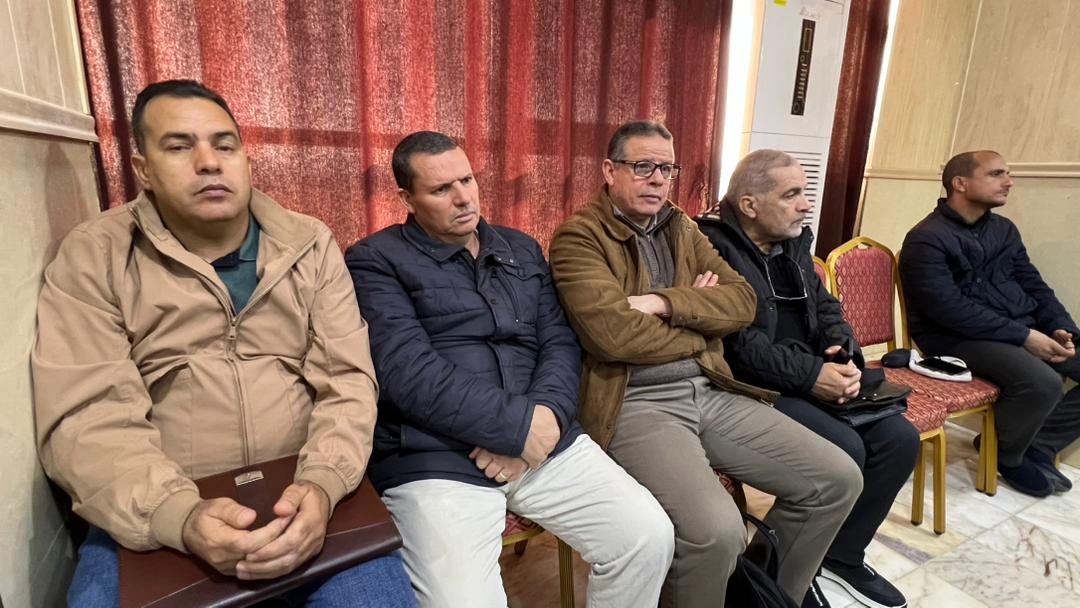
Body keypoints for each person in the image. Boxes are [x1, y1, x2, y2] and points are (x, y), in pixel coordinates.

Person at [32, 79, 415, 606]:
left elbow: (348, 380)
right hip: (159, 510)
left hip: (307, 494)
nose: (209, 162)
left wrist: (323, 483)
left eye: (224, 145)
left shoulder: (308, 243)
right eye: (179, 146)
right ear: (144, 170)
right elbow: (86, 415)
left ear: (245, 158)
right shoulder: (97, 255)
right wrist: (179, 515)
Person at [344, 130, 674, 607]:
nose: (463, 198)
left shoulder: (520, 248)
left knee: (647, 536)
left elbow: (559, 343)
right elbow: (407, 372)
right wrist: (517, 429)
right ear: (406, 199)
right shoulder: (375, 260)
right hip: (437, 456)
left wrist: (545, 421)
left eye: (467, 180)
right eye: (441, 189)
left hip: (544, 440)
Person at [548, 121, 862, 607]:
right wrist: (701, 320)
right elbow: (612, 337)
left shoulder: (680, 226)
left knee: (837, 480)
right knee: (716, 531)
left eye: (667, 168)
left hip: (711, 386)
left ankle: (760, 599)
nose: (658, 179)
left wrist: (663, 302)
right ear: (610, 171)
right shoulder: (578, 238)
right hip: (636, 402)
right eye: (643, 166)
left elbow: (743, 303)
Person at [697, 149, 919, 608]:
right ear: (750, 204)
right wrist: (814, 374)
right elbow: (737, 345)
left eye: (805, 193)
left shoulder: (793, 241)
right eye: (792, 194)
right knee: (846, 448)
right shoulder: (711, 247)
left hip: (809, 374)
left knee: (900, 439)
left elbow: (825, 306)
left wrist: (843, 352)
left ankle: (841, 556)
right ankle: (774, 574)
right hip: (751, 386)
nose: (805, 205)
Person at [900, 150, 1080, 497]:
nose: (1009, 182)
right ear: (960, 183)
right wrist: (1025, 336)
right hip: (953, 337)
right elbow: (948, 310)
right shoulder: (927, 237)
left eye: (1007, 174)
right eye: (997, 174)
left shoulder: (1004, 230)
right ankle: (1007, 457)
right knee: (1043, 382)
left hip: (1013, 326)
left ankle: (1037, 444)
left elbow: (1033, 284)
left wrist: (1060, 326)